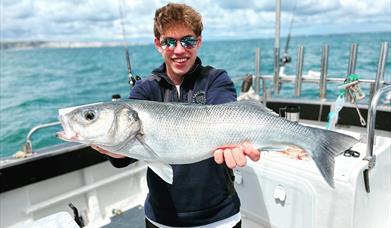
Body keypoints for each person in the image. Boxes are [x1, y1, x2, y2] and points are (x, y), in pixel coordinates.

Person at [92, 3, 260, 227]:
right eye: (169, 41)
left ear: (198, 41)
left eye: (188, 40)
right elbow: (125, 158)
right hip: (162, 219)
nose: (179, 50)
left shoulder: (216, 79)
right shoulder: (145, 90)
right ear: (158, 44)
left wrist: (235, 144)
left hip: (220, 218)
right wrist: (115, 150)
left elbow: (226, 114)